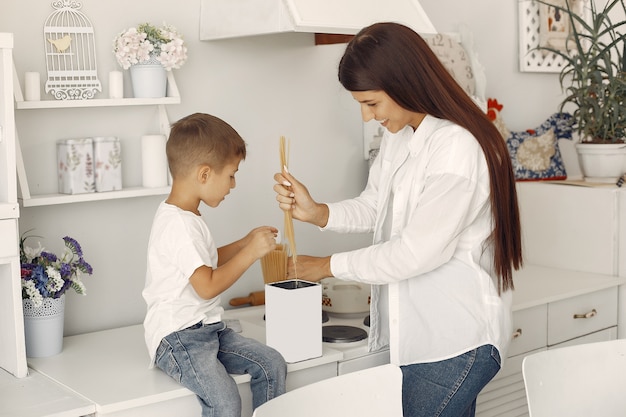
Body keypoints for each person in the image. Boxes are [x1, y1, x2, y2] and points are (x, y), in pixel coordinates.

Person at [273, 22, 522, 417]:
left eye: (372, 103)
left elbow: (415, 253)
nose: (368, 116)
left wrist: (326, 266)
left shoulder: (456, 147)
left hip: (457, 341)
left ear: (405, 82)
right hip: (428, 342)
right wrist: (319, 213)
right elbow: (376, 206)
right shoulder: (402, 134)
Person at [144, 113, 287, 417]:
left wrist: (245, 242)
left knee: (271, 363)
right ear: (205, 174)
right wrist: (250, 254)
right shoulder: (178, 225)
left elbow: (204, 260)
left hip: (208, 330)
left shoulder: (186, 216)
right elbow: (206, 285)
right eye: (231, 174)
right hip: (178, 337)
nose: (233, 184)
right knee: (225, 400)